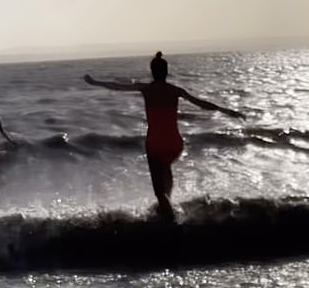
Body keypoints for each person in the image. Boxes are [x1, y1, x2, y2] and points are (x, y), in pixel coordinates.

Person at [84, 51, 245, 222]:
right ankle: (168, 210)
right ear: (166, 72)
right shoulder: (175, 90)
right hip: (174, 143)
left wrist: (94, 82)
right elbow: (200, 103)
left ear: (152, 72)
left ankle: (172, 223)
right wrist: (224, 110)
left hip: (155, 143)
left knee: (159, 192)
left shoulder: (146, 89)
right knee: (165, 172)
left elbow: (116, 86)